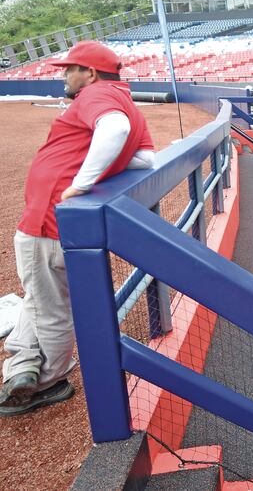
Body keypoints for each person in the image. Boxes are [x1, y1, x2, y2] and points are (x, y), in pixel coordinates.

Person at [0, 41, 155, 416]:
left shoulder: (97, 94)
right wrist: (102, 167)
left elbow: (114, 129)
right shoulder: (124, 99)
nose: (64, 74)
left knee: (49, 306)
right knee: (38, 298)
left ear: (90, 72)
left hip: (48, 222)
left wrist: (82, 182)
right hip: (56, 222)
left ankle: (48, 382)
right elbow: (146, 157)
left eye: (70, 68)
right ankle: (22, 368)